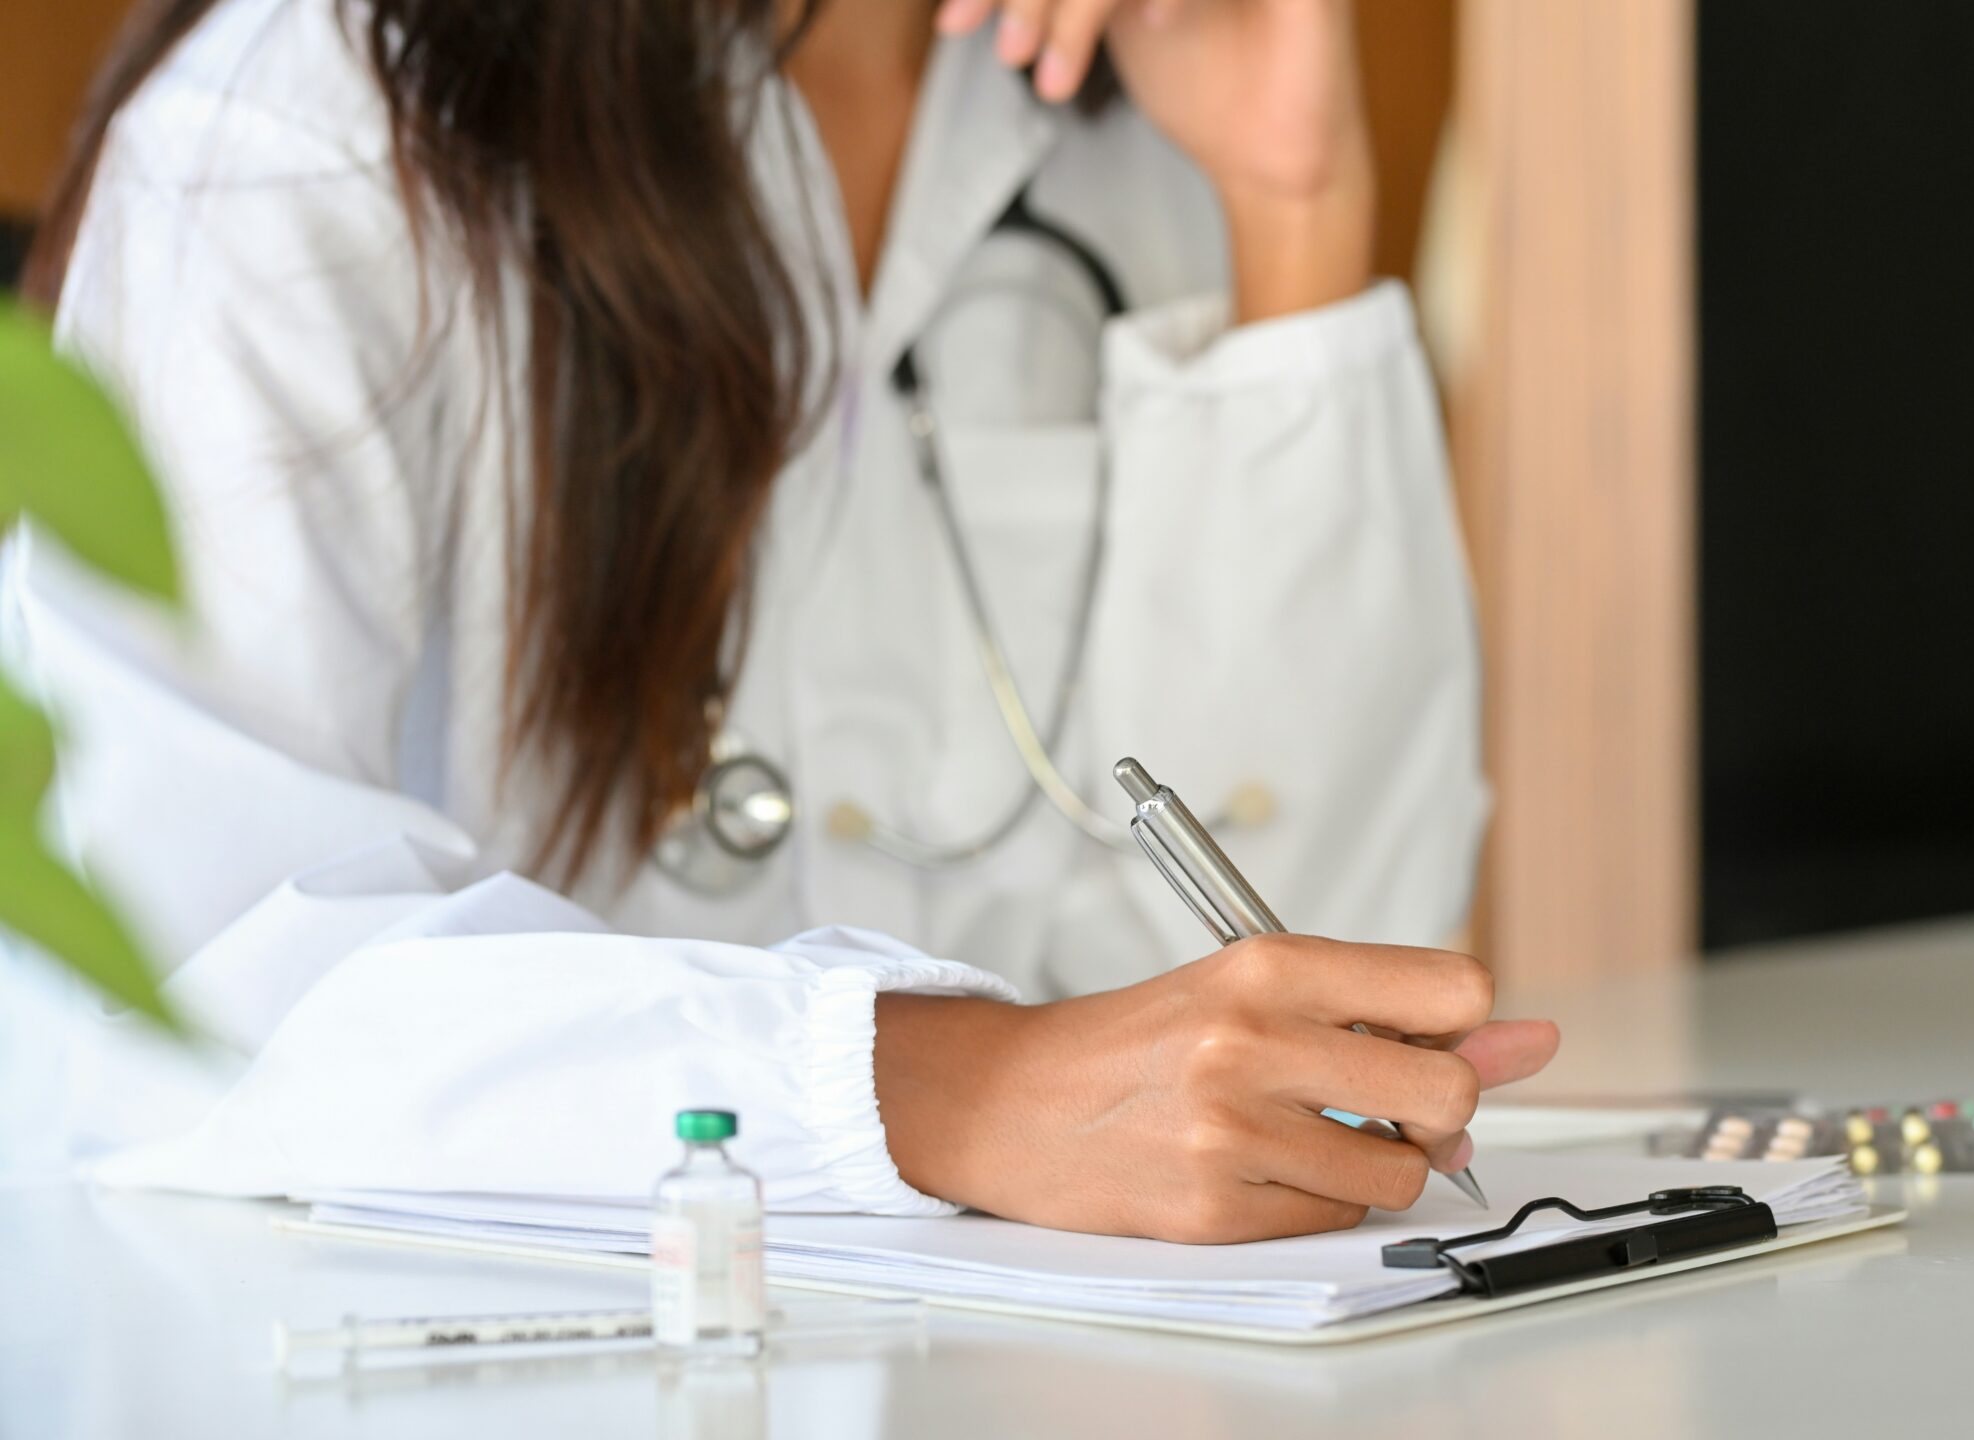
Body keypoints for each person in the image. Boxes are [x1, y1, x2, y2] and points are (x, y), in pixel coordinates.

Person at [2, 0, 1560, 1243]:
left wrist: (1287, 207)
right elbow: (182, 994)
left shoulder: (1133, 107)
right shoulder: (298, 135)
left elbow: (1321, 1031)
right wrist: (926, 1090)